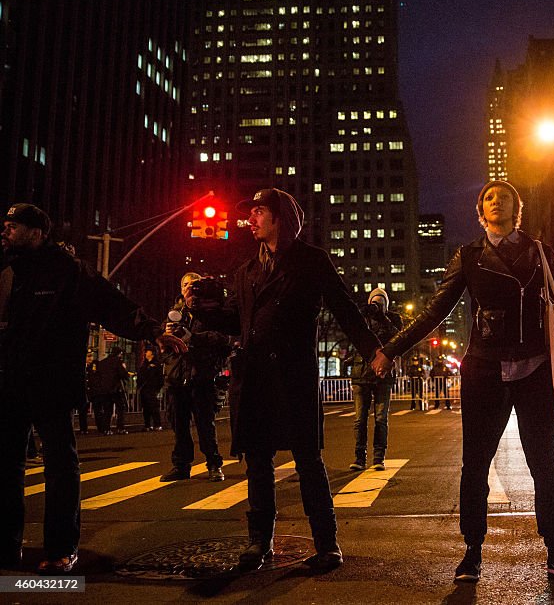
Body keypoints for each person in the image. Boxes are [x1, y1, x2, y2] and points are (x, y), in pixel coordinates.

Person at [371, 180, 554, 584]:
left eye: (504, 196)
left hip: (535, 368)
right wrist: (391, 348)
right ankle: (471, 552)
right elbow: (436, 310)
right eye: (489, 197)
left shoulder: (539, 252)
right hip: (484, 370)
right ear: (481, 211)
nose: (497, 200)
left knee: (543, 463)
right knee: (475, 465)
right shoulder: (468, 255)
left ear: (516, 208)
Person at [194, 188, 381, 572]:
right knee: (257, 463)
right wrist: (201, 308)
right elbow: (237, 320)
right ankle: (259, 542)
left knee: (308, 461)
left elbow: (344, 308)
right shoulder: (246, 271)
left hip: (293, 377)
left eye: (259, 211)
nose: (251, 219)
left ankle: (327, 545)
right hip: (253, 379)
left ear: (279, 217)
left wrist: (375, 351)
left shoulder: (312, 261)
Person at [0, 203, 183, 574]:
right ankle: (7, 547)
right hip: (8, 383)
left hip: (51, 382)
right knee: (6, 466)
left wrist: (152, 332)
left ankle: (61, 549)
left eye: (13, 226)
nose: (5, 231)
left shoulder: (67, 270)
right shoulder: (5, 267)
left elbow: (112, 305)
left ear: (36, 232)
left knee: (60, 465)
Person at [159, 273, 229, 483]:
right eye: (186, 285)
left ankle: (214, 464)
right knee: (179, 426)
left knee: (205, 425)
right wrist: (165, 334)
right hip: (176, 378)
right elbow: (162, 347)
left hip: (201, 377)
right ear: (181, 289)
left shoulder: (210, 312)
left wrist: (193, 338)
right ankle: (181, 465)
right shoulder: (175, 314)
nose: (190, 288)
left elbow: (221, 339)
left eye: (194, 285)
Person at [349, 288, 403, 472]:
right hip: (361, 374)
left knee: (381, 419)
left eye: (380, 303)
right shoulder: (362, 317)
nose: (376, 307)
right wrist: (365, 315)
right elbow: (353, 335)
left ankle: (378, 458)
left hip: (383, 375)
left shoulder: (393, 319)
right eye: (374, 303)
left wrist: (383, 317)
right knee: (359, 419)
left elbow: (399, 339)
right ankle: (359, 457)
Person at [92, 347, 130, 435]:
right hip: (116, 389)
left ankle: (107, 429)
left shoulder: (102, 363)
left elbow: (98, 376)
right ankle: (120, 428)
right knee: (120, 408)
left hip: (105, 390)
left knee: (107, 410)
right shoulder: (118, 362)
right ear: (119, 354)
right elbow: (123, 374)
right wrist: (125, 372)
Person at [137, 348, 164, 431]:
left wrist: (157, 388)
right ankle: (147, 425)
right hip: (144, 388)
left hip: (152, 388)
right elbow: (140, 376)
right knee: (146, 407)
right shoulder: (144, 364)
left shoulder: (156, 364)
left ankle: (157, 424)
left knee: (154, 407)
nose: (146, 353)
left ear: (152, 354)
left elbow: (160, 377)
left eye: (147, 352)